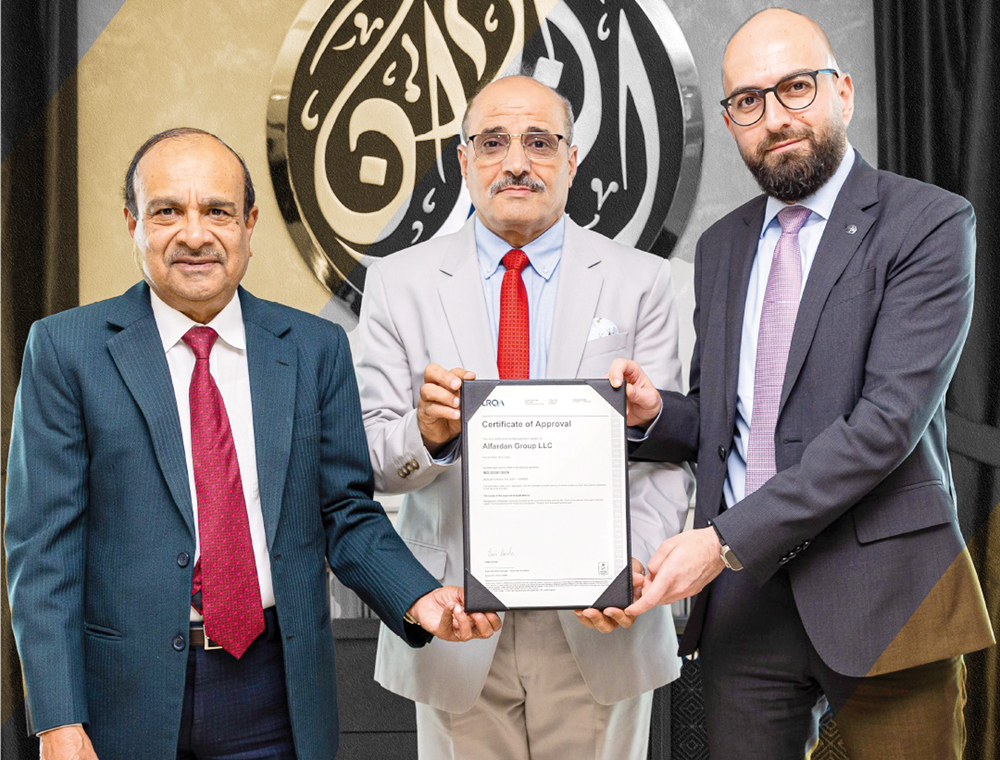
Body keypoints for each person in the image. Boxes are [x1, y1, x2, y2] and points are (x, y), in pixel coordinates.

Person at [4, 127, 500, 760]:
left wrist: (420, 598)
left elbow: (345, 513)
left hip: (276, 692)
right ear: (132, 222)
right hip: (120, 700)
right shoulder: (66, 350)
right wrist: (57, 720)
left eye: (217, 211)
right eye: (166, 212)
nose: (194, 234)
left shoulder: (315, 350)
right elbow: (42, 552)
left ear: (249, 223)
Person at [610, 9, 994, 759]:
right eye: (749, 101)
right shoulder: (721, 246)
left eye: (795, 88)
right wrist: (657, 415)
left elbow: (884, 426)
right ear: (729, 121)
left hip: (883, 588)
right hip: (748, 607)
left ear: (842, 92)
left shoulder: (930, 223)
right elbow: (732, 419)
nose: (775, 117)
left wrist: (721, 542)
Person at [354, 75, 692, 759]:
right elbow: (369, 461)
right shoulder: (398, 283)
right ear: (463, 160)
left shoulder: (644, 282)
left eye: (539, 142)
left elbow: (665, 452)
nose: (515, 162)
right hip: (455, 617)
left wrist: (632, 567)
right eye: (493, 142)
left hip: (601, 619)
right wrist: (427, 434)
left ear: (571, 160)